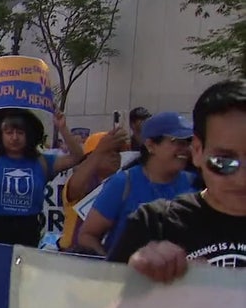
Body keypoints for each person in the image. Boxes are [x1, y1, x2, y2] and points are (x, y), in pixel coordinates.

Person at [108, 81, 246, 276]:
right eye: (223, 161)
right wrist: (135, 279)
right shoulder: (154, 224)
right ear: (197, 151)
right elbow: (101, 301)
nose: (241, 180)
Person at [0, 106, 84, 247]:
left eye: (20, 132)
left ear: (29, 135)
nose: (14, 137)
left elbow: (77, 156)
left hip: (27, 231)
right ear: (1, 134)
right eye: (9, 132)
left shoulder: (43, 161)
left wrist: (62, 128)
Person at [78, 112, 197, 256]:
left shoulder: (195, 184)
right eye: (176, 141)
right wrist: (111, 268)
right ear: (150, 145)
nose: (185, 148)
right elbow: (87, 235)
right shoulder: (122, 183)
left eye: (188, 142)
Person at [58, 129, 127, 252]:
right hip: (74, 257)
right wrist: (101, 149)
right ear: (91, 156)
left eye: (117, 151)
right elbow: (75, 187)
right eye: (108, 151)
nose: (115, 155)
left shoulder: (123, 183)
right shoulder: (82, 181)